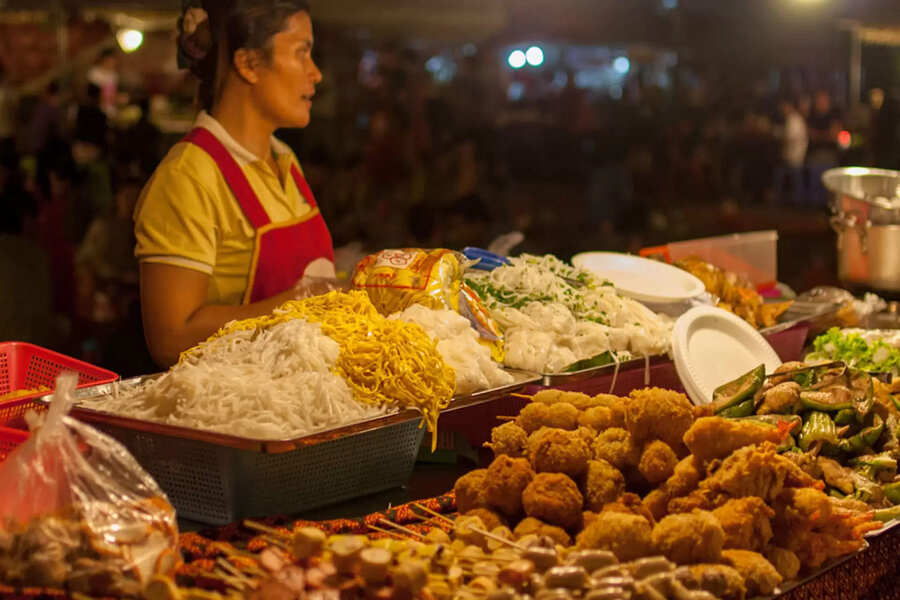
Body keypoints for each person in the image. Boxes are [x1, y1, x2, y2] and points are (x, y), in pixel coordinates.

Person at [135, 0, 334, 367]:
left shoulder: (285, 160)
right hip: (234, 411)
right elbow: (170, 337)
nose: (316, 73)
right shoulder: (188, 177)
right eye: (302, 53)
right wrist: (308, 301)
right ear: (249, 64)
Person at [774, 98, 808, 206]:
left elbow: (789, 139)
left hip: (795, 157)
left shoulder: (793, 119)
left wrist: (778, 135)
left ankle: (795, 203)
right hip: (792, 156)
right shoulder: (792, 118)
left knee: (784, 174)